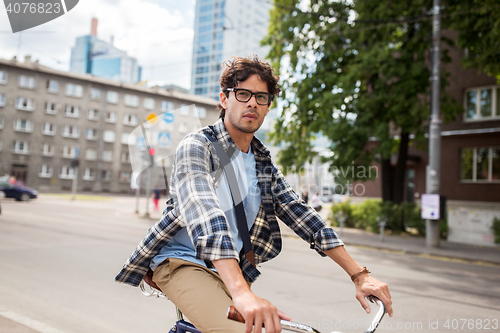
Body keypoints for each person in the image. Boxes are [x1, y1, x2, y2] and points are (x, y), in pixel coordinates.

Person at [115, 55, 392, 333]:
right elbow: (206, 214)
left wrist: (359, 274)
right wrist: (242, 292)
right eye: (243, 94)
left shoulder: (262, 162)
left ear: (268, 106)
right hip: (182, 261)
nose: (253, 103)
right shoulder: (198, 146)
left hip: (227, 270)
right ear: (224, 99)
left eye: (262, 97)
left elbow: (302, 214)